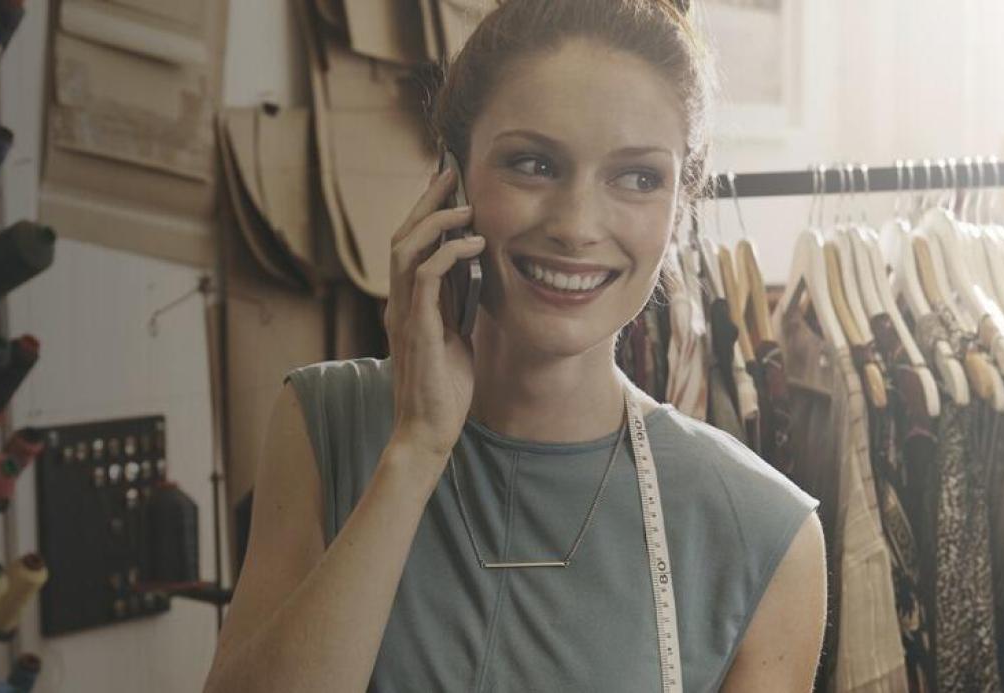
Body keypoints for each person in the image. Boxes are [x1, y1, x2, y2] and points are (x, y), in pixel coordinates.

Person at [204, 1, 827, 691]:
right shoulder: (325, 422)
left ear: (680, 208)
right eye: (533, 164)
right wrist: (415, 450)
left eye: (638, 178)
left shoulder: (762, 533)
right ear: (451, 177)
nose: (576, 226)